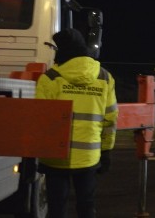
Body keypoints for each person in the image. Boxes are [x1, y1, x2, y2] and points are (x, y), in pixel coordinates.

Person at [36, 29, 118, 218]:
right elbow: (110, 119)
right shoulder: (104, 78)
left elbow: (40, 121)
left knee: (57, 207)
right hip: (89, 156)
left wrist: (37, 153)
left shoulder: (50, 78)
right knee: (86, 205)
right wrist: (106, 150)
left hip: (55, 156)